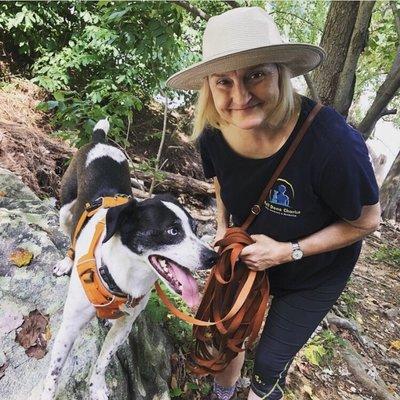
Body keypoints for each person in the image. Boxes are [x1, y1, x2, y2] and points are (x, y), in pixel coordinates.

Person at [166, 7, 380, 400]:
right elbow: (220, 184)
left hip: (313, 273)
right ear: (208, 87)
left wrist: (288, 251)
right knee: (229, 334)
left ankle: (265, 389)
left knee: (267, 361)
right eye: (223, 81)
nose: (240, 96)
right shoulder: (212, 133)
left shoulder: (334, 145)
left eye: (256, 74)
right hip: (246, 257)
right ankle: (223, 393)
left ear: (280, 71)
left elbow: (367, 221)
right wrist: (222, 228)